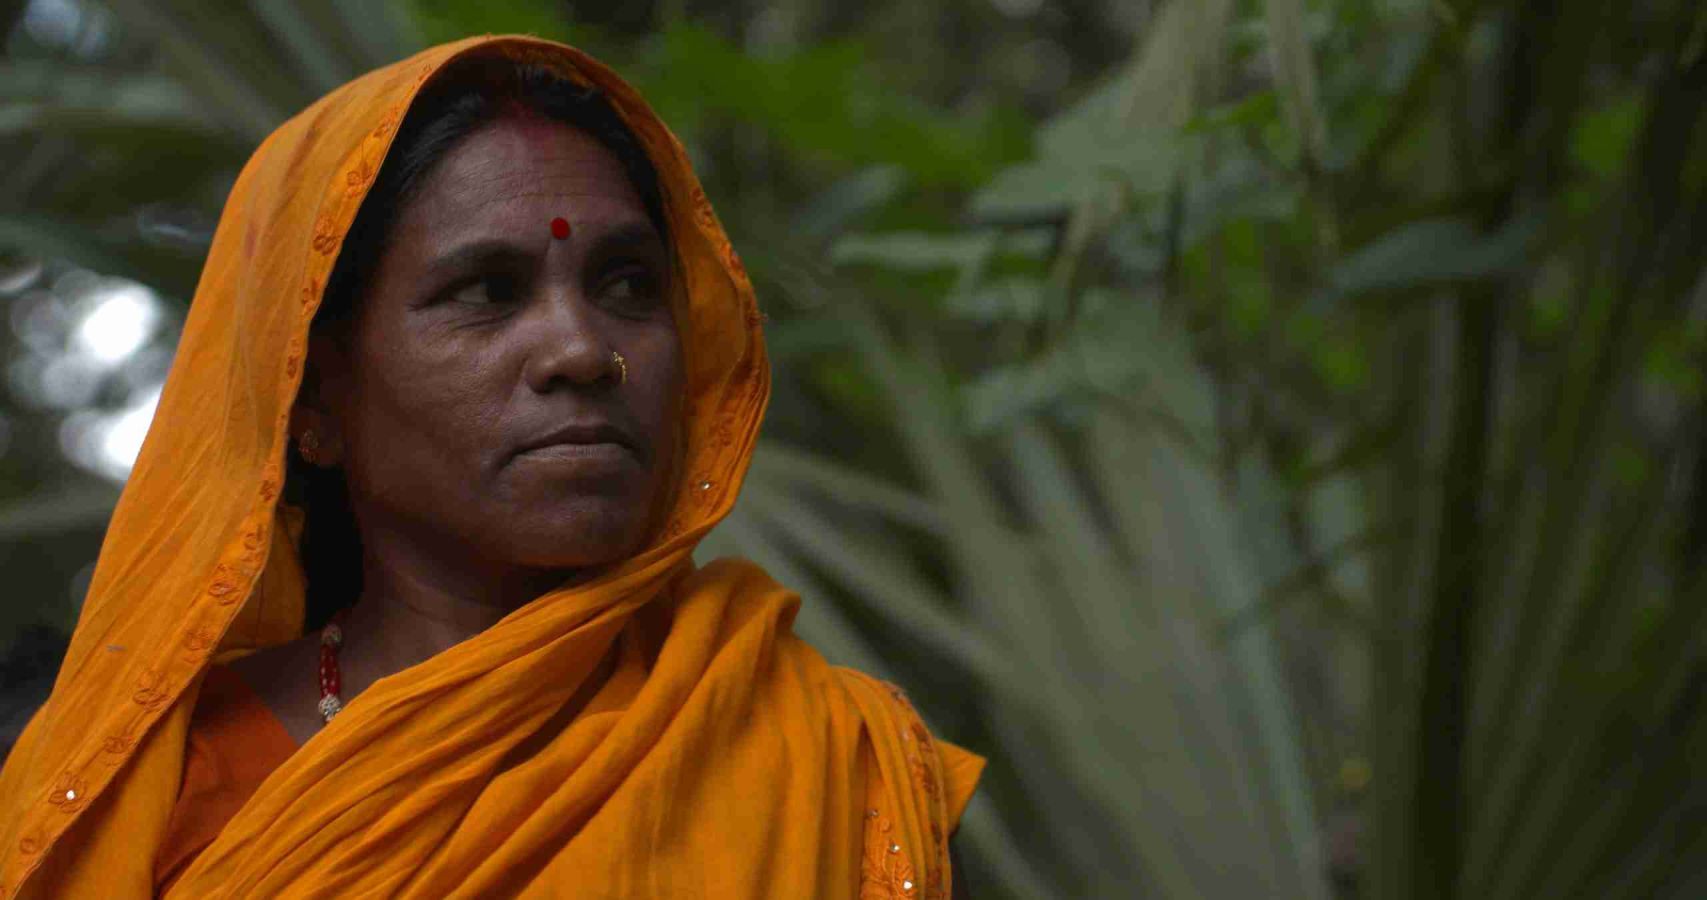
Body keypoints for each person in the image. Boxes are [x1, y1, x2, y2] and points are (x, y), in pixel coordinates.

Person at [0, 35, 983, 898]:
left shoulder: (827, 759)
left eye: (627, 284)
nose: (583, 350)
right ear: (315, 399)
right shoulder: (149, 791)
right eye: (487, 291)